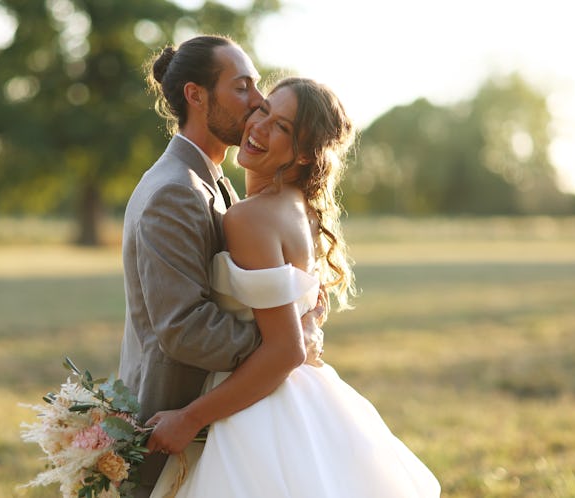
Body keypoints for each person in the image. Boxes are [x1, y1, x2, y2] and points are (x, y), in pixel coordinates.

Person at [145, 77, 441, 497]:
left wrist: (190, 418)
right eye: (264, 110)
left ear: (304, 153)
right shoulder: (300, 208)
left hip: (261, 412)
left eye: (282, 127)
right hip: (305, 397)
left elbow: (285, 349)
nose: (260, 127)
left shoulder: (249, 218)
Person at [118, 36, 325, 498]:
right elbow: (184, 327)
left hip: (216, 423)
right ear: (196, 95)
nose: (256, 102)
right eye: (242, 88)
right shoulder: (174, 190)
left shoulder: (218, 185)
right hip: (168, 416)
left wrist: (293, 326)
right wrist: (284, 344)